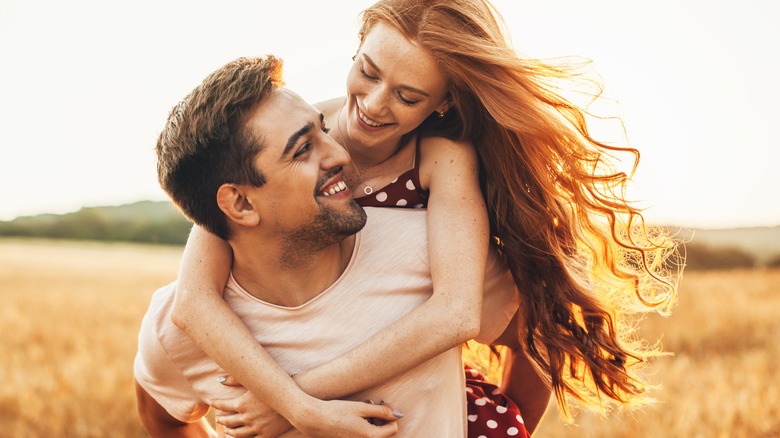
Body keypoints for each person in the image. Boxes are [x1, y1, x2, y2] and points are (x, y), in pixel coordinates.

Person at [173, 0, 680, 434]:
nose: (373, 105)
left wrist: (295, 401)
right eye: (368, 71)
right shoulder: (288, 142)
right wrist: (299, 407)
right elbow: (193, 299)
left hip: (423, 394)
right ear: (357, 47)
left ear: (444, 102)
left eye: (408, 96)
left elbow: (458, 313)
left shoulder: (441, 159)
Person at [135, 55, 526, 437]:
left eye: (324, 130)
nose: (341, 153)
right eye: (303, 149)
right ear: (239, 204)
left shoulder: (430, 251)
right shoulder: (177, 326)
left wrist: (294, 403)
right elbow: (165, 418)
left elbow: (533, 339)